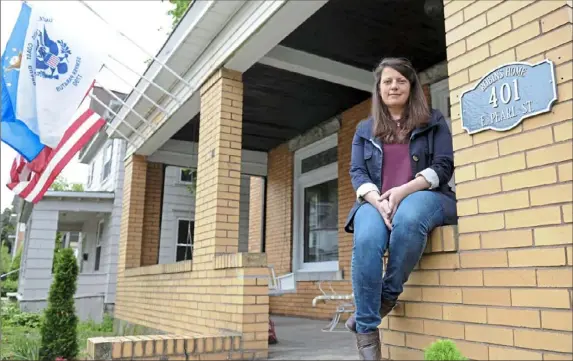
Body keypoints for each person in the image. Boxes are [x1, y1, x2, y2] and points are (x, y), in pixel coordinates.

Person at [343, 57, 457, 360]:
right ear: (379, 89)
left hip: (424, 194)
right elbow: (357, 172)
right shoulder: (364, 129)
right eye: (387, 81)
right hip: (375, 200)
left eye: (401, 80)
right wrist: (375, 198)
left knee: (409, 216)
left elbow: (444, 166)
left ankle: (386, 297)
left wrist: (405, 190)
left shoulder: (433, 121)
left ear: (411, 86)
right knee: (366, 238)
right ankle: (368, 334)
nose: (394, 86)